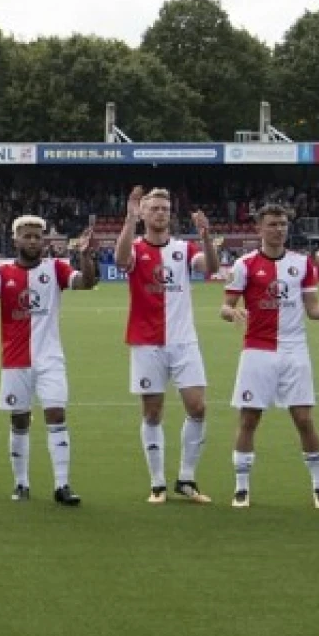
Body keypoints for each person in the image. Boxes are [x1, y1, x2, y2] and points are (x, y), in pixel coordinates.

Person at [219, 204, 319, 509]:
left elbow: (313, 309)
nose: (279, 229)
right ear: (259, 229)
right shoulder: (244, 265)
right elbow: (225, 306)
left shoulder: (302, 264)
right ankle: (241, 487)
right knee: (249, 418)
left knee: (304, 419)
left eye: (283, 224)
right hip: (257, 351)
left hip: (294, 350)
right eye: (273, 224)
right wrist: (232, 312)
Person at [0, 216, 97, 504]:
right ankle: (21, 484)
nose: (32, 241)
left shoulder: (56, 268)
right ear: (15, 240)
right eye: (27, 236)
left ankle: (62, 485)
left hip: (50, 359)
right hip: (15, 361)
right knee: (19, 420)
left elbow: (86, 283)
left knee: (56, 415)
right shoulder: (1, 272)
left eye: (37, 236)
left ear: (44, 241)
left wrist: (86, 256)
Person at [114, 186, 219, 504]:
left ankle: (186, 479)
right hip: (147, 343)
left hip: (184, 341)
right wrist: (129, 220)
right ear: (144, 213)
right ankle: (157, 482)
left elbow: (211, 269)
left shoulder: (183, 249)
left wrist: (205, 237)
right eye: (154, 208)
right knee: (152, 412)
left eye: (165, 208)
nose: (161, 213)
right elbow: (120, 261)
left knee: (198, 407)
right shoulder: (134, 247)